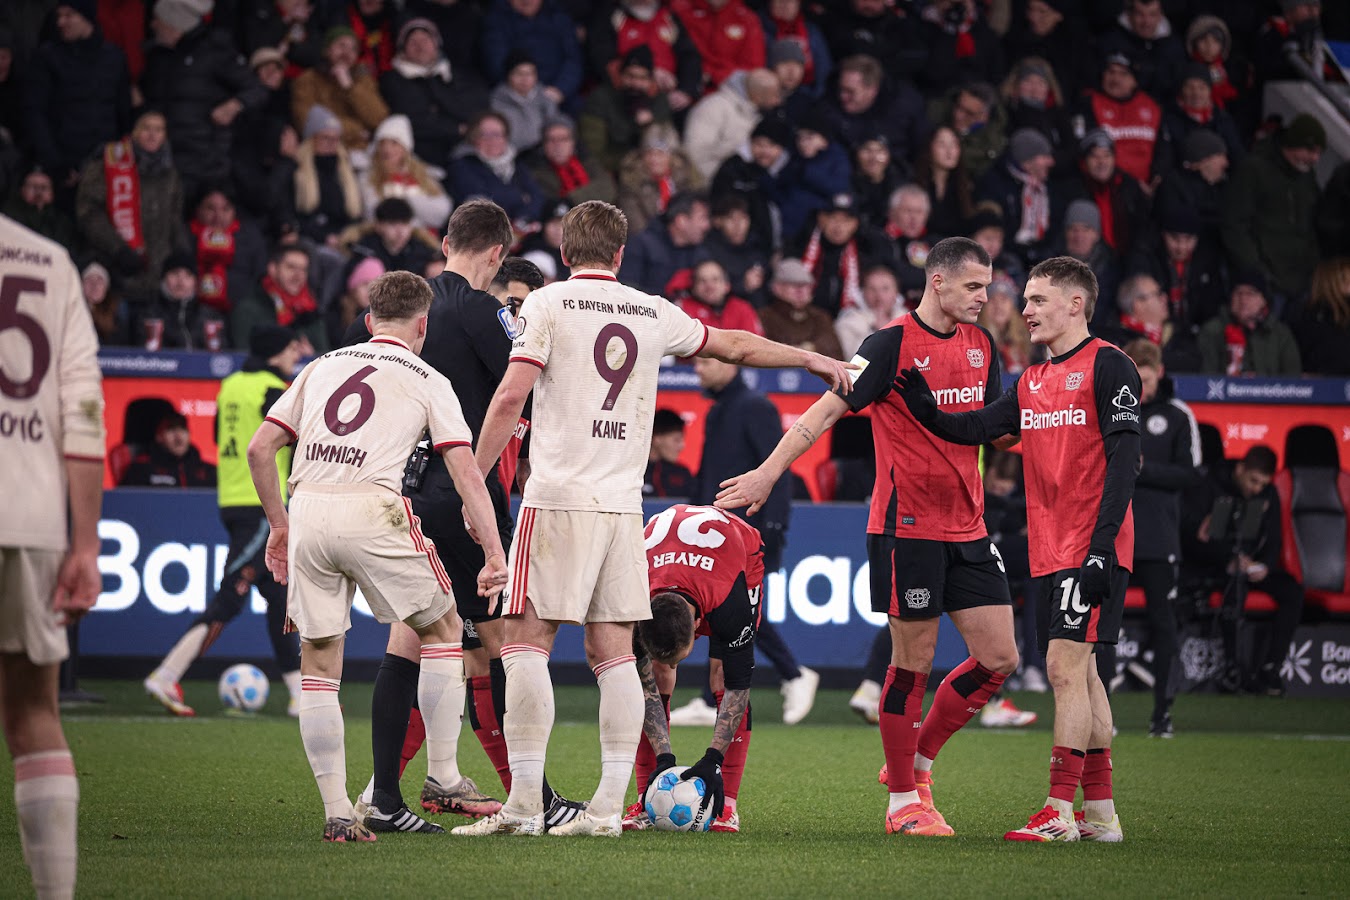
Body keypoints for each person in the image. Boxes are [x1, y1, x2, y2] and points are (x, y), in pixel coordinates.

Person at [454, 198, 853, 837]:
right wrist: (810, 360)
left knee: (527, 643)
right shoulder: (649, 309)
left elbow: (509, 396)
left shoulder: (547, 304)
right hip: (623, 506)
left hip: (557, 496)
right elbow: (736, 345)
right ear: (619, 254)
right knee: (613, 653)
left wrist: (473, 483)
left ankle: (525, 804)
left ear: (564, 252)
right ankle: (609, 809)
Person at [716, 237, 1024, 838]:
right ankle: (904, 802)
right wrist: (766, 473)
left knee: (1000, 658)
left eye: (987, 288)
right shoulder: (888, 346)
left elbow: (995, 429)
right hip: (906, 527)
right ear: (937, 283)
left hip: (970, 524)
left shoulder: (982, 345)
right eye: (973, 287)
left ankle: (914, 763)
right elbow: (822, 413)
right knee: (913, 662)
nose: (984, 299)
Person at [885, 255, 1141, 843]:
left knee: (1061, 666)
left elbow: (1126, 462)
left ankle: (1057, 810)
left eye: (1038, 299)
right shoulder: (1032, 381)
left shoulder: (1110, 367)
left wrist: (1102, 548)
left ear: (1076, 304)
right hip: (1052, 549)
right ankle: (1099, 815)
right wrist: (926, 408)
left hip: (1091, 546)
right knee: (1088, 673)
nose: (1025, 309)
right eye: (1025, 299)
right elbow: (975, 427)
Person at [246, 270, 509, 842]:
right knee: (442, 628)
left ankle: (340, 813)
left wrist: (278, 526)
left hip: (309, 507)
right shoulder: (428, 377)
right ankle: (442, 776)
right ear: (423, 325)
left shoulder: (320, 366)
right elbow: (467, 473)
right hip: (376, 510)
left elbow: (261, 448)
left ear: (368, 322)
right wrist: (493, 550)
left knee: (319, 665)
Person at [342, 201, 571, 833]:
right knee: (503, 640)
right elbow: (532, 381)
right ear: (497, 254)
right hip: (463, 494)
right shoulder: (481, 311)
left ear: (445, 242)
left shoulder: (415, 313)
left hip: (403, 492)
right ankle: (534, 798)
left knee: (412, 635)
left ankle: (385, 795)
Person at [0, 213, 105, 900]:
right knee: (35, 710)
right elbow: (84, 413)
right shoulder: (45, 259)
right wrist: (86, 541)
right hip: (29, 511)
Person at [143, 328, 305, 717]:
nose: (295, 354)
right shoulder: (273, 388)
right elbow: (291, 441)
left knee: (280, 599)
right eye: (291, 348)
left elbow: (219, 437)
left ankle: (302, 696)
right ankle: (166, 675)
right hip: (263, 506)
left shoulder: (230, 385)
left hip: (231, 500)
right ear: (276, 353)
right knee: (231, 596)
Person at [624, 504, 765, 833]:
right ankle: (647, 796)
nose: (676, 665)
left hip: (739, 555)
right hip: (665, 558)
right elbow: (643, 689)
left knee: (723, 674)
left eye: (680, 657)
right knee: (655, 675)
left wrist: (713, 759)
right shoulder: (632, 601)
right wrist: (663, 759)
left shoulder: (729, 606)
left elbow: (739, 687)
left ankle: (727, 804)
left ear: (702, 624)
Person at [1181, 445, 1304, 697]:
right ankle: (1232, 668)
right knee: (1234, 586)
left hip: (1251, 567)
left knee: (1292, 590)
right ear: (1240, 469)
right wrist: (1229, 558)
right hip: (1215, 566)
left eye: (1262, 484)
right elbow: (1191, 536)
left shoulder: (1268, 494)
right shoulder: (1210, 483)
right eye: (1253, 481)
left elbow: (1273, 540)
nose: (1256, 489)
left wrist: (1265, 566)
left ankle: (1271, 669)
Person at [1121, 338, 1199, 737]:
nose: (1140, 387)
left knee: (1164, 624)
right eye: (1135, 378)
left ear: (1159, 374)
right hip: (1114, 534)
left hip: (1158, 538)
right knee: (1101, 626)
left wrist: (1141, 469)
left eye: (1145, 379)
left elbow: (1191, 474)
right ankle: (1101, 717)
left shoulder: (1177, 415)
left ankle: (1162, 714)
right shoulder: (1113, 411)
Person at [1197, 273, 1301, 376]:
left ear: (1264, 300)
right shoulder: (1212, 331)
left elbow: (1293, 380)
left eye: (1251, 293)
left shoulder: (1280, 334)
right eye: (1238, 293)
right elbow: (1206, 378)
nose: (1243, 300)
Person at [759, 257, 844, 359]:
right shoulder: (765, 317)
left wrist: (806, 348)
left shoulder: (820, 317)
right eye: (793, 285)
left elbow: (833, 349)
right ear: (777, 288)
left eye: (805, 285)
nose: (800, 291)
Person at [117, 411, 216, 488]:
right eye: (171, 429)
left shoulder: (209, 472)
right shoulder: (140, 470)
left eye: (183, 429)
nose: (178, 437)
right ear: (159, 436)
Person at [645, 409, 694, 498]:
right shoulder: (635, 471)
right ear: (657, 439)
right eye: (676, 440)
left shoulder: (683, 473)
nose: (682, 446)